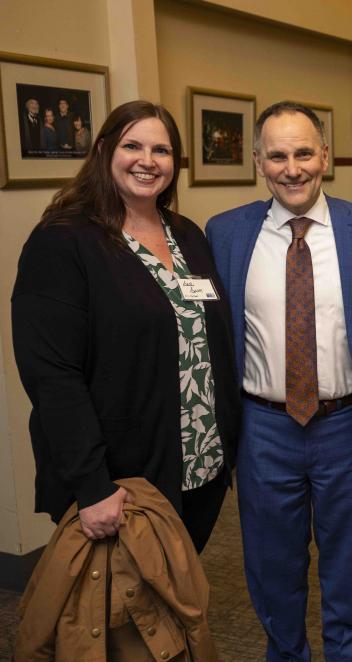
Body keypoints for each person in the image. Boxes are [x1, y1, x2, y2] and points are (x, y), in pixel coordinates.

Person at [206, 101, 352, 662]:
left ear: (325, 156)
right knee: (272, 564)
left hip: (347, 425)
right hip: (264, 428)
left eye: (304, 153)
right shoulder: (225, 235)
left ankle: (345, 653)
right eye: (278, 156)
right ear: (258, 162)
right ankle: (285, 653)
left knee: (350, 561)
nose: (292, 169)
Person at [12, 100, 240, 554]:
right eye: (131, 145)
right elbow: (53, 376)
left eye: (162, 150)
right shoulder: (63, 241)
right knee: (117, 611)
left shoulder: (187, 235)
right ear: (102, 151)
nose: (147, 161)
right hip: (120, 476)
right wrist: (92, 484)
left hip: (199, 463)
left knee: (175, 593)